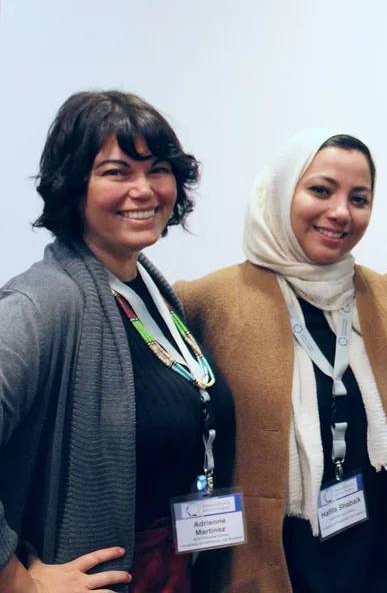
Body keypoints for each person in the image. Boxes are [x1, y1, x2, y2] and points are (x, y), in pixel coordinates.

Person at [175, 128, 387, 593]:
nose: (340, 212)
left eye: (359, 198)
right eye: (321, 190)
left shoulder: (384, 295)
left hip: (382, 566)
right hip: (272, 571)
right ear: (280, 192)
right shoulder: (207, 303)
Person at [0, 91, 234, 593]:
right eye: (117, 171)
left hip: (175, 564)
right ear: (72, 184)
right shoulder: (42, 302)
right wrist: (18, 582)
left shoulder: (147, 286)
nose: (144, 190)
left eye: (158, 170)